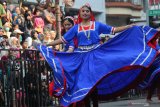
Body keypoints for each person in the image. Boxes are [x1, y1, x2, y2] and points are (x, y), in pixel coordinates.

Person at [38, 4, 160, 107]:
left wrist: (128, 27)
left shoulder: (97, 25)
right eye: (83, 11)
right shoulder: (76, 28)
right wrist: (47, 44)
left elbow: (113, 30)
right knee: (83, 83)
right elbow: (63, 40)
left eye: (87, 11)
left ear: (90, 13)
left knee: (96, 81)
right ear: (80, 13)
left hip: (97, 55)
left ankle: (95, 104)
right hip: (82, 57)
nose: (85, 13)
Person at [138, 37, 160, 103]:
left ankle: (154, 97)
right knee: (153, 81)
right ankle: (149, 97)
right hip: (153, 64)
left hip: (158, 64)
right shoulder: (151, 43)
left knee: (158, 81)